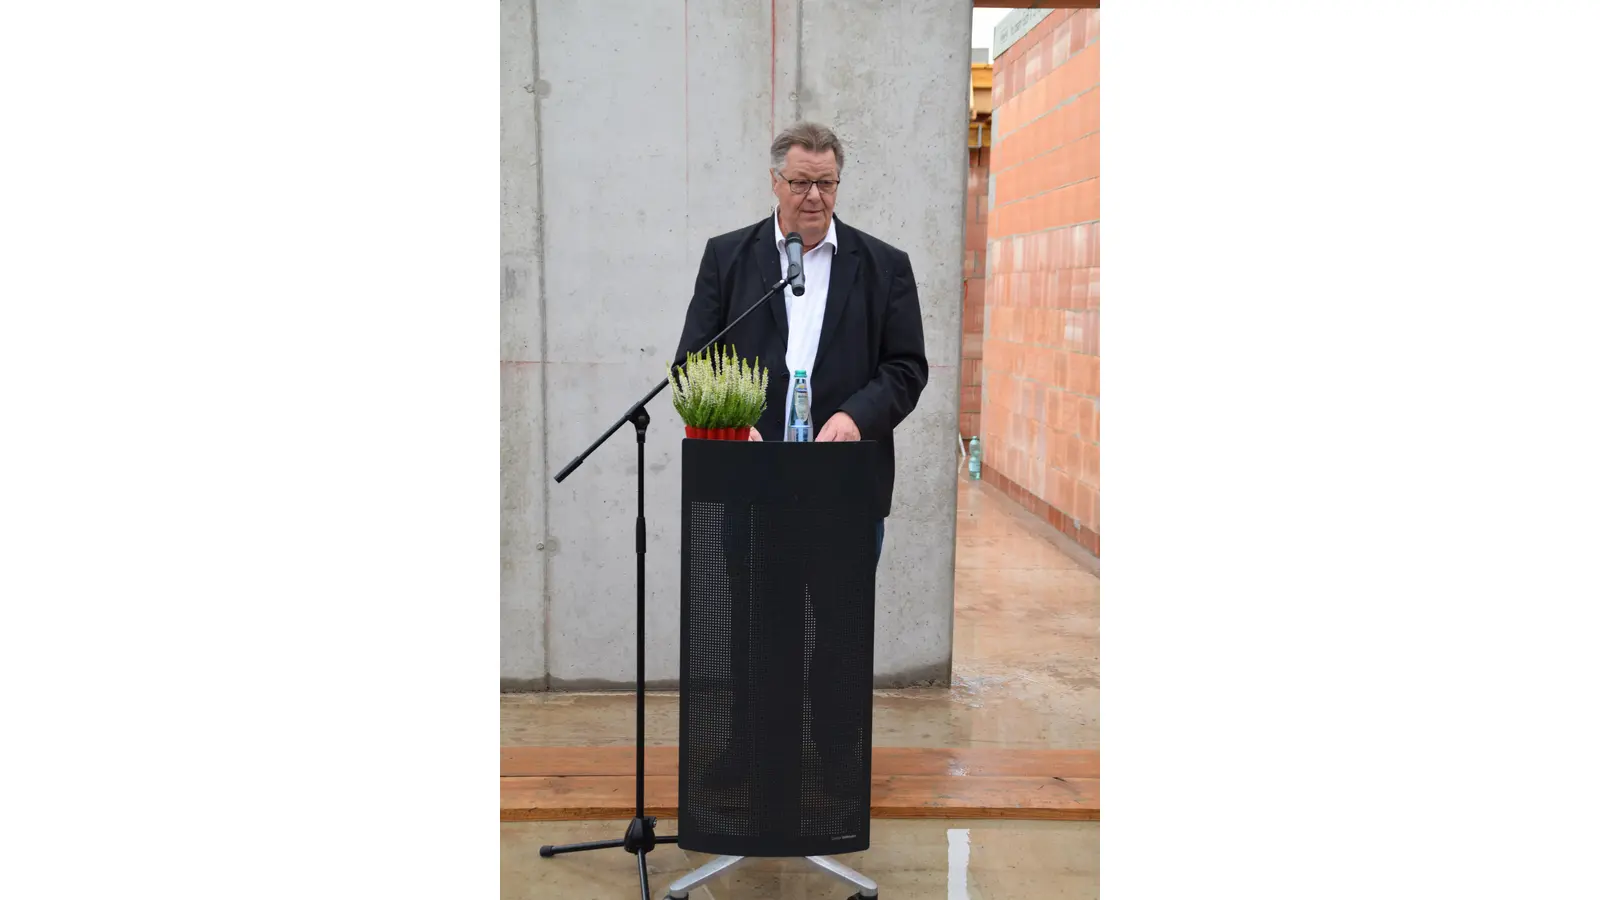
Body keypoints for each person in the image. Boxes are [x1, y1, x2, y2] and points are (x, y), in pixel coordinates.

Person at [673, 122, 928, 797]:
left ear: (838, 183)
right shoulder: (730, 259)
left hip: (843, 485)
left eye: (825, 182)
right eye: (800, 182)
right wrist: (736, 426)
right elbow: (693, 363)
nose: (813, 196)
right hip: (753, 480)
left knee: (841, 633)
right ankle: (748, 747)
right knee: (753, 627)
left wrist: (855, 417)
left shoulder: (884, 265)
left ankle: (837, 753)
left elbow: (906, 367)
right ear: (774, 183)